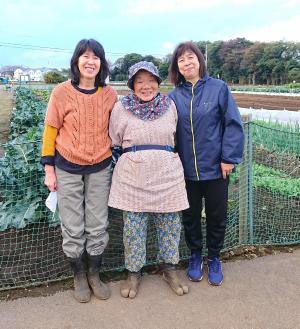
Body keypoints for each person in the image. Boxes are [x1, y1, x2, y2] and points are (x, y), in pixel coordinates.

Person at [41, 39, 117, 302]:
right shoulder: (61, 92)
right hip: (67, 167)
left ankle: (95, 274)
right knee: (72, 226)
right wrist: (49, 170)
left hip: (100, 166)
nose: (90, 61)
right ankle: (78, 276)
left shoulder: (109, 94)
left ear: (102, 63)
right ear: (76, 61)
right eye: (85, 56)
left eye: (95, 57)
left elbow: (117, 128)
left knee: (98, 224)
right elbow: (50, 130)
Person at [108, 61, 189, 298]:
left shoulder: (169, 105)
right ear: (132, 84)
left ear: (158, 82)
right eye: (140, 81)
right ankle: (133, 273)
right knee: (133, 229)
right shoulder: (121, 107)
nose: (146, 86)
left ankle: (169, 269)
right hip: (133, 176)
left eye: (151, 80)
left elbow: (177, 137)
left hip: (167, 175)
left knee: (170, 226)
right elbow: (114, 140)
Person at [168, 41, 244, 286]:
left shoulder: (218, 88)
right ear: (176, 67)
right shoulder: (173, 96)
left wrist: (228, 158)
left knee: (216, 215)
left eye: (191, 57)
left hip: (215, 168)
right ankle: (194, 256)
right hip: (185, 171)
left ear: (200, 60)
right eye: (181, 60)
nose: (187, 63)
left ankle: (213, 258)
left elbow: (232, 124)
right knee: (189, 216)